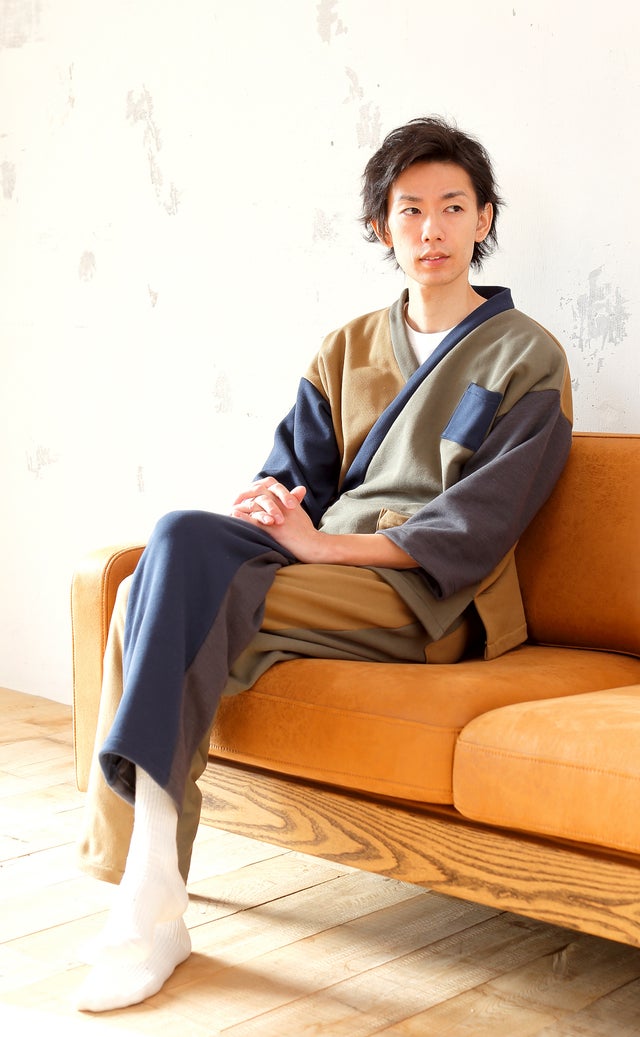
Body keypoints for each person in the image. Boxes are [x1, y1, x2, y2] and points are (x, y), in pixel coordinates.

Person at [74, 115, 573, 1012]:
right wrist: (275, 516)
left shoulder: (528, 356)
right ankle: (151, 886)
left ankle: (147, 894)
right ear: (382, 226)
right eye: (410, 209)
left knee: (154, 598)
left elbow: (479, 528)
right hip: (325, 573)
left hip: (430, 599)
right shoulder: (345, 347)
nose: (432, 228)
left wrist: (322, 545)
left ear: (484, 219)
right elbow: (289, 479)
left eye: (453, 206)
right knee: (170, 552)